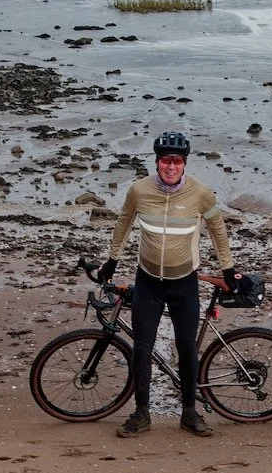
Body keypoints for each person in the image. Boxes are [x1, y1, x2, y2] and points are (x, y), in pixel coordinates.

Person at [97, 131, 237, 438]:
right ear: (157, 161)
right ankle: (141, 413)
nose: (170, 167)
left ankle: (189, 412)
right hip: (148, 281)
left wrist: (227, 268)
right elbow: (123, 222)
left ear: (184, 163)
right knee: (141, 350)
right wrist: (112, 259)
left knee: (187, 349)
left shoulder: (201, 194)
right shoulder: (139, 191)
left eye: (176, 161)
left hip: (184, 283)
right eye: (164, 160)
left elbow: (218, 230)